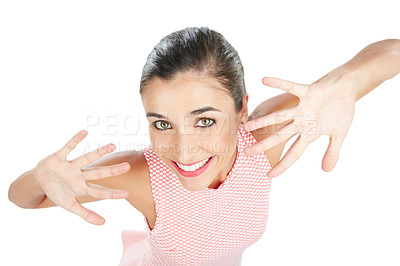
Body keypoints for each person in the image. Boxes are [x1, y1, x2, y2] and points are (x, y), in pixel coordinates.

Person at [7, 27, 400, 265]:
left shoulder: (265, 138)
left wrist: (347, 79)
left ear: (243, 109)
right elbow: (24, 197)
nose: (183, 149)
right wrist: (37, 176)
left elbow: (393, 50)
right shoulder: (145, 177)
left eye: (205, 120)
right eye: (162, 124)